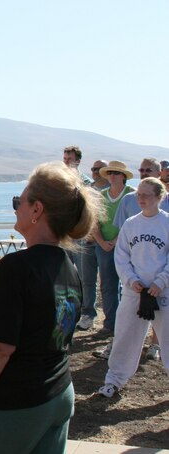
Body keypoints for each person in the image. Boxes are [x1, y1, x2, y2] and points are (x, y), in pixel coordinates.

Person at [0, 162, 103, 453]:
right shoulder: (67, 266)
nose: (15, 208)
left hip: (12, 407)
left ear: (37, 210)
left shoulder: (16, 269)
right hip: (57, 393)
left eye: (18, 202)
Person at [98, 178, 169, 398]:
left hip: (162, 291)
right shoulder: (131, 224)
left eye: (147, 195)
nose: (141, 199)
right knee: (125, 336)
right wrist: (131, 280)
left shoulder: (166, 223)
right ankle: (114, 379)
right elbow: (121, 256)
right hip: (134, 291)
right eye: (139, 194)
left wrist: (161, 281)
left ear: (159, 197)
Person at [83, 161, 134, 336]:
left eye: (116, 173)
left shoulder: (131, 196)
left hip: (127, 247)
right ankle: (110, 324)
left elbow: (132, 222)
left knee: (130, 285)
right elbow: (94, 222)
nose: (112, 176)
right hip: (103, 246)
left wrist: (115, 240)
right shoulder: (101, 196)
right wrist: (103, 242)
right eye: (110, 172)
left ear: (124, 176)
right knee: (107, 285)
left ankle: (129, 325)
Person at [75, 159, 109, 330]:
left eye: (99, 169)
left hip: (105, 242)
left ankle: (111, 320)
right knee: (86, 280)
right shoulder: (89, 189)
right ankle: (88, 314)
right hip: (87, 241)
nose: (95, 172)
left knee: (109, 282)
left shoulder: (112, 191)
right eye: (93, 169)